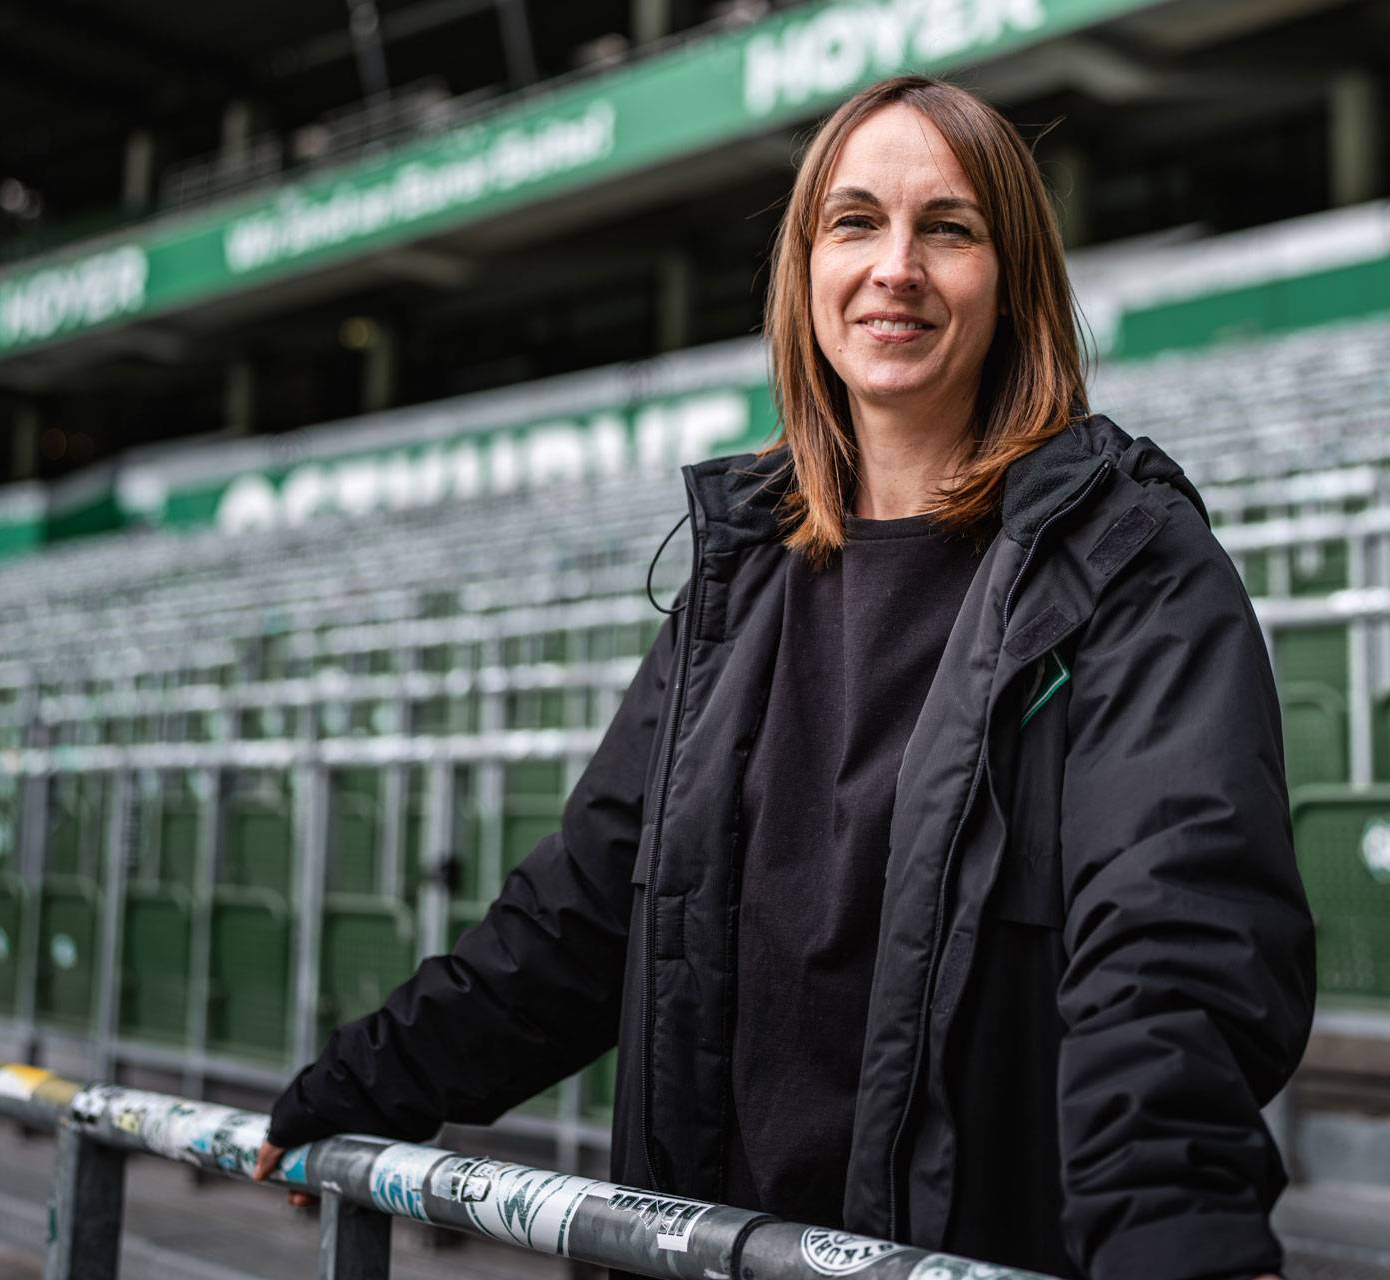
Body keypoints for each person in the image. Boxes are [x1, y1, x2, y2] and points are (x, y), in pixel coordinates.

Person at [252, 74, 1314, 1280]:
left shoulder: (1130, 564)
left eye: (949, 227)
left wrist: (1182, 1242)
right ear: (804, 271)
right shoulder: (741, 574)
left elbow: (1171, 945)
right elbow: (581, 915)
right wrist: (356, 1088)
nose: (896, 266)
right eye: (855, 222)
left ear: (1013, 277)